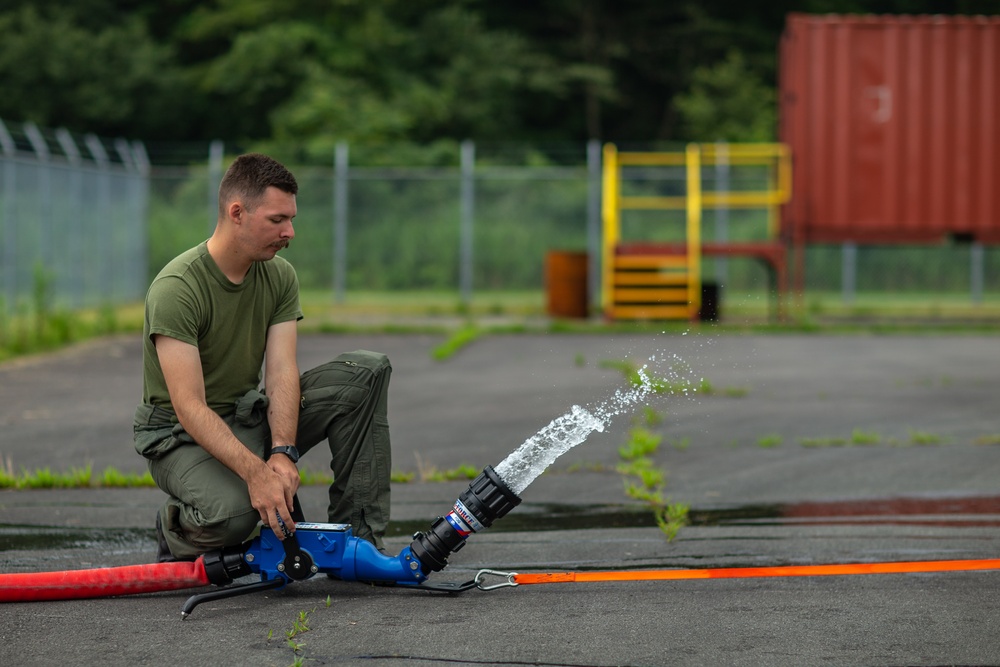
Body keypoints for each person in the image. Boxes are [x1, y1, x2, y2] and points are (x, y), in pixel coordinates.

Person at [134, 153, 393, 562]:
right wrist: (257, 475)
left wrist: (282, 452)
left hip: (247, 417)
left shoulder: (279, 275)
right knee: (236, 517)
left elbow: (281, 371)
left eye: (291, 219)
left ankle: (357, 546)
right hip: (180, 438)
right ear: (237, 212)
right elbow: (188, 407)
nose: (289, 232)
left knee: (365, 373)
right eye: (277, 220)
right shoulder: (177, 288)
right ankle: (176, 528)